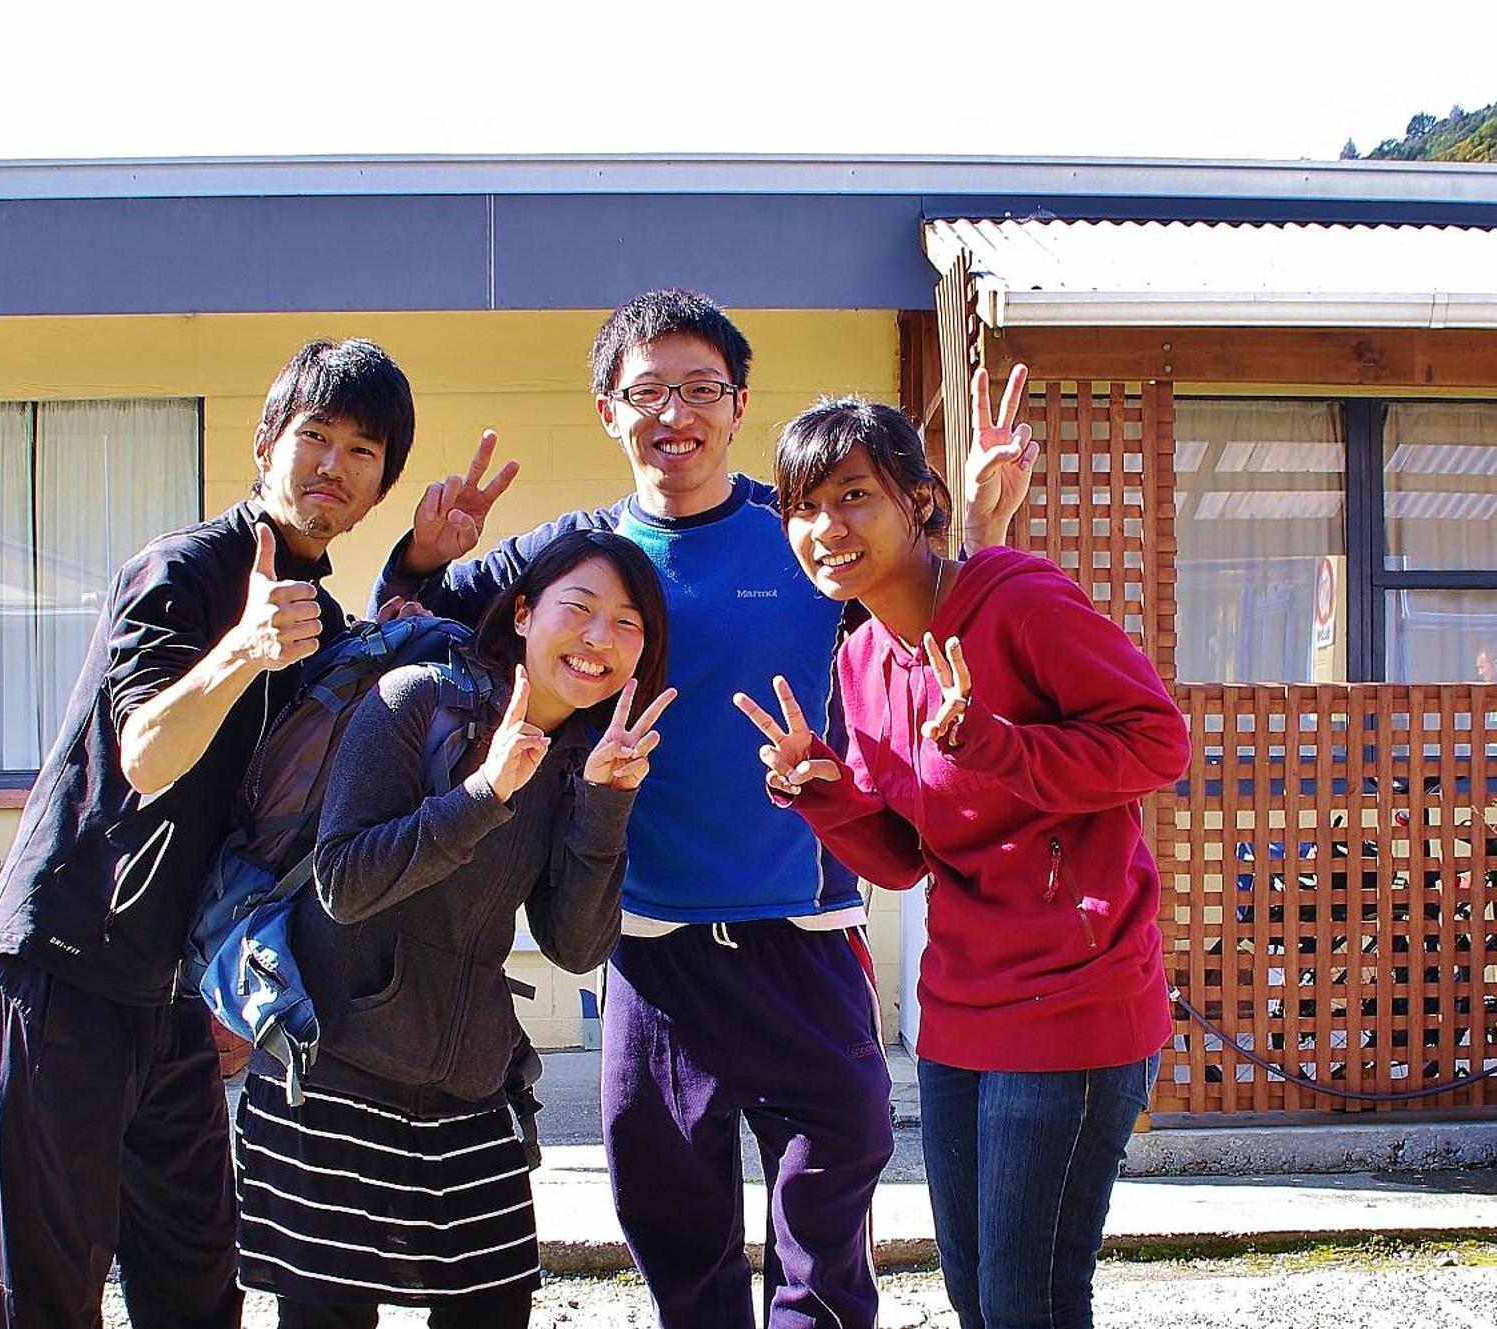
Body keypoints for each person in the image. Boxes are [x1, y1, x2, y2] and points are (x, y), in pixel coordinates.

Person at [368, 288, 1037, 1328]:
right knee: (677, 1245)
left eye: (699, 389)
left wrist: (984, 521)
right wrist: (420, 557)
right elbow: (403, 631)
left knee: (826, 1245)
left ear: (738, 406)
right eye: (645, 392)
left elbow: (933, 615)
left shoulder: (809, 539)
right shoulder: (570, 559)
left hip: (804, 935)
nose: (671, 413)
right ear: (606, 410)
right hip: (646, 946)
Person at [0, 338, 417, 1329]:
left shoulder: (314, 621)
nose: (333, 465)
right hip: (58, 966)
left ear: (379, 486)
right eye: (315, 436)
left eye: (363, 451)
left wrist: (420, 565)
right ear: (265, 442)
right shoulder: (183, 571)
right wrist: (239, 653)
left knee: (196, 1282)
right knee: (48, 1292)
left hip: (165, 995)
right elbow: (144, 753)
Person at [734, 396, 1191, 1329]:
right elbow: (904, 861)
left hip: (1077, 996)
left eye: (854, 495)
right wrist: (821, 789)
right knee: (975, 1293)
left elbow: (1156, 744)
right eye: (804, 505)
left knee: (1032, 1299)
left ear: (921, 500)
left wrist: (999, 744)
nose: (827, 527)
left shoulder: (1018, 599)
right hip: (960, 1007)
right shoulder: (860, 660)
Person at [237, 529, 676, 1328]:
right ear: (520, 614)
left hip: (470, 1089)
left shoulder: (581, 759)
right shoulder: (415, 701)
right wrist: (484, 791)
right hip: (335, 1071)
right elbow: (343, 881)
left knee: (493, 1306)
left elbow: (577, 947)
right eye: (578, 609)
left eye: (628, 623)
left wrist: (607, 805)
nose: (598, 639)